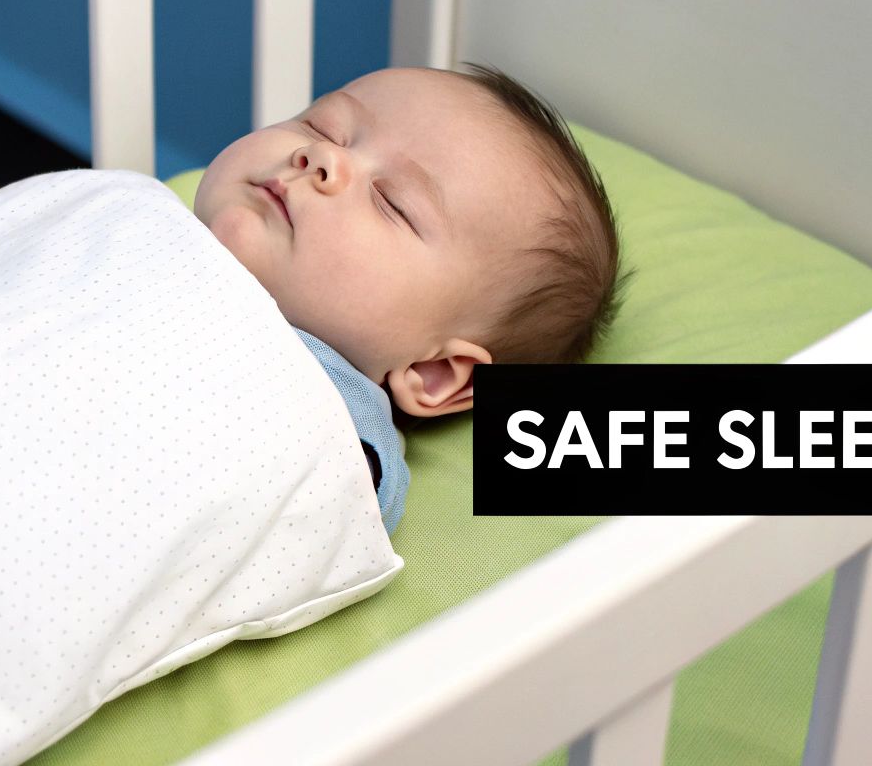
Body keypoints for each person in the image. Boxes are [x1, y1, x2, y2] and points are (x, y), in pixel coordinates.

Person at [195, 63, 626, 533]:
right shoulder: (133, 209)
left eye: (391, 202)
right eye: (324, 127)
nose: (321, 155)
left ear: (432, 372)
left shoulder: (332, 434)